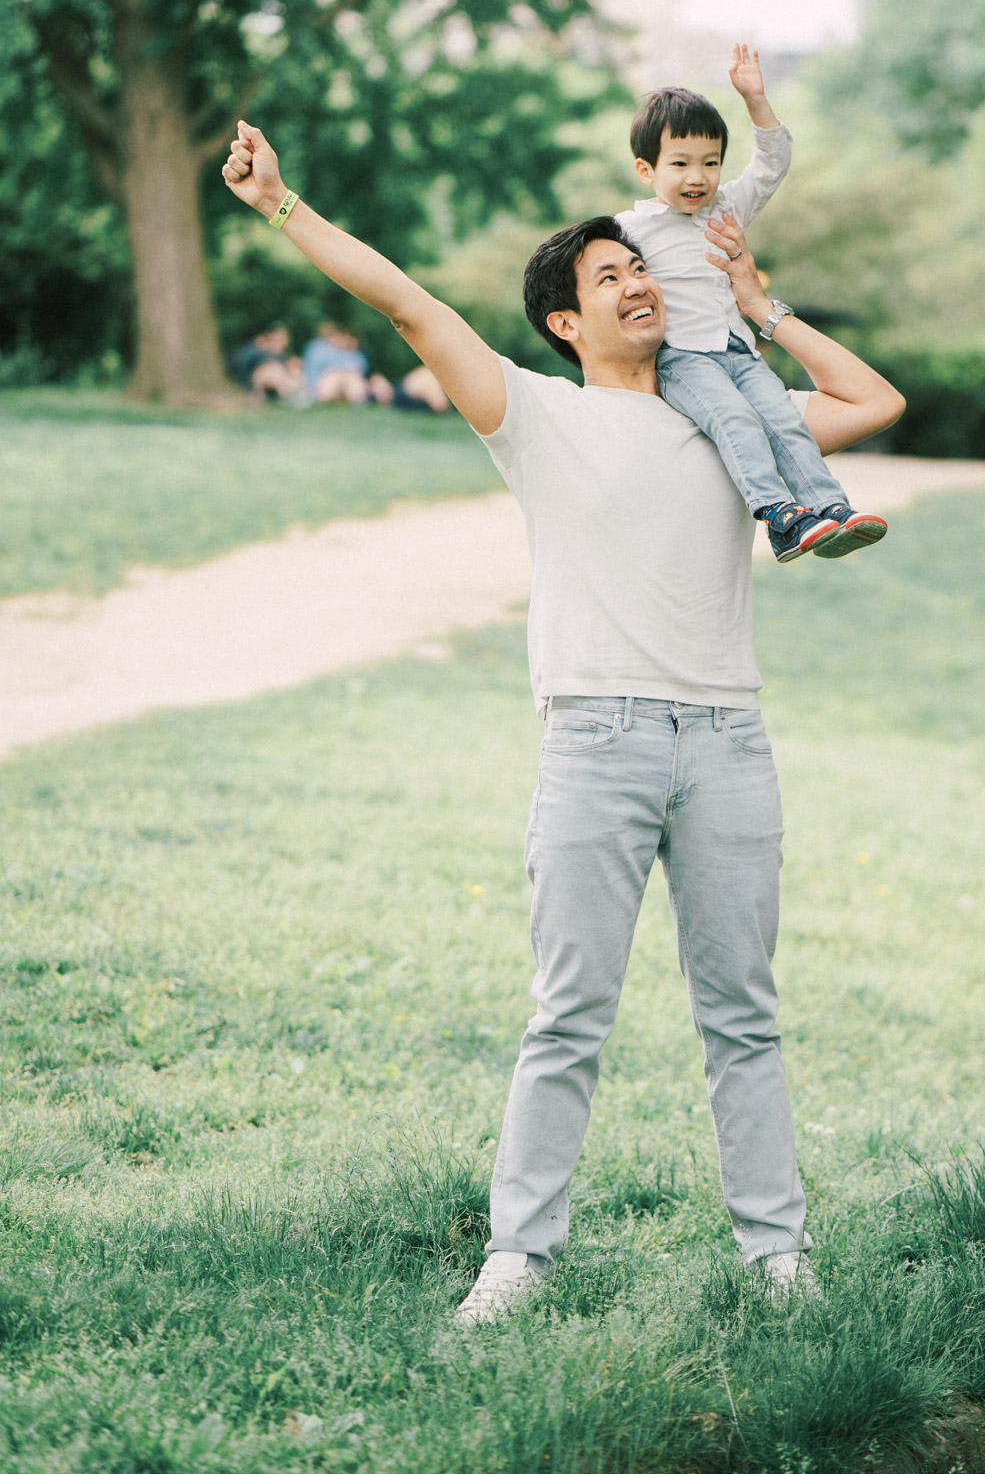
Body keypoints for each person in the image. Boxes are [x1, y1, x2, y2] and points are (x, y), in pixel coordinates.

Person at [220, 118, 905, 1324]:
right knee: (568, 1016)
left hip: (727, 744)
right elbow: (407, 307)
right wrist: (282, 205)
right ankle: (518, 1258)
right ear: (563, 322)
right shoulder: (532, 415)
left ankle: (777, 1257)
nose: (638, 282)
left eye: (641, 267)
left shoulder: (728, 417)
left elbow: (872, 399)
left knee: (741, 1019)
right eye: (609, 276)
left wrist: (761, 305)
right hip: (597, 743)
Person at [622, 45, 888, 564]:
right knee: (736, 420)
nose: (697, 177)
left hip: (739, 351)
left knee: (784, 422)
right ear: (646, 170)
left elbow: (772, 163)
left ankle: (828, 509)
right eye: (680, 164)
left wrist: (755, 100)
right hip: (683, 358)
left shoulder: (727, 206)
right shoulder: (630, 228)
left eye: (710, 163)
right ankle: (779, 517)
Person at [298, 321, 394, 405]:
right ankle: (361, 401)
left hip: (349, 386)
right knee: (336, 375)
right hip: (320, 388)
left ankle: (365, 401)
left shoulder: (352, 353)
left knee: (373, 380)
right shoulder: (317, 348)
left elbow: (363, 370)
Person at [226, 323, 302, 401]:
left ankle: (294, 393)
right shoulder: (259, 352)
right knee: (274, 369)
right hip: (261, 381)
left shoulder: (285, 357)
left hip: (280, 382)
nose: (278, 342)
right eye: (276, 339)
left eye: (281, 339)